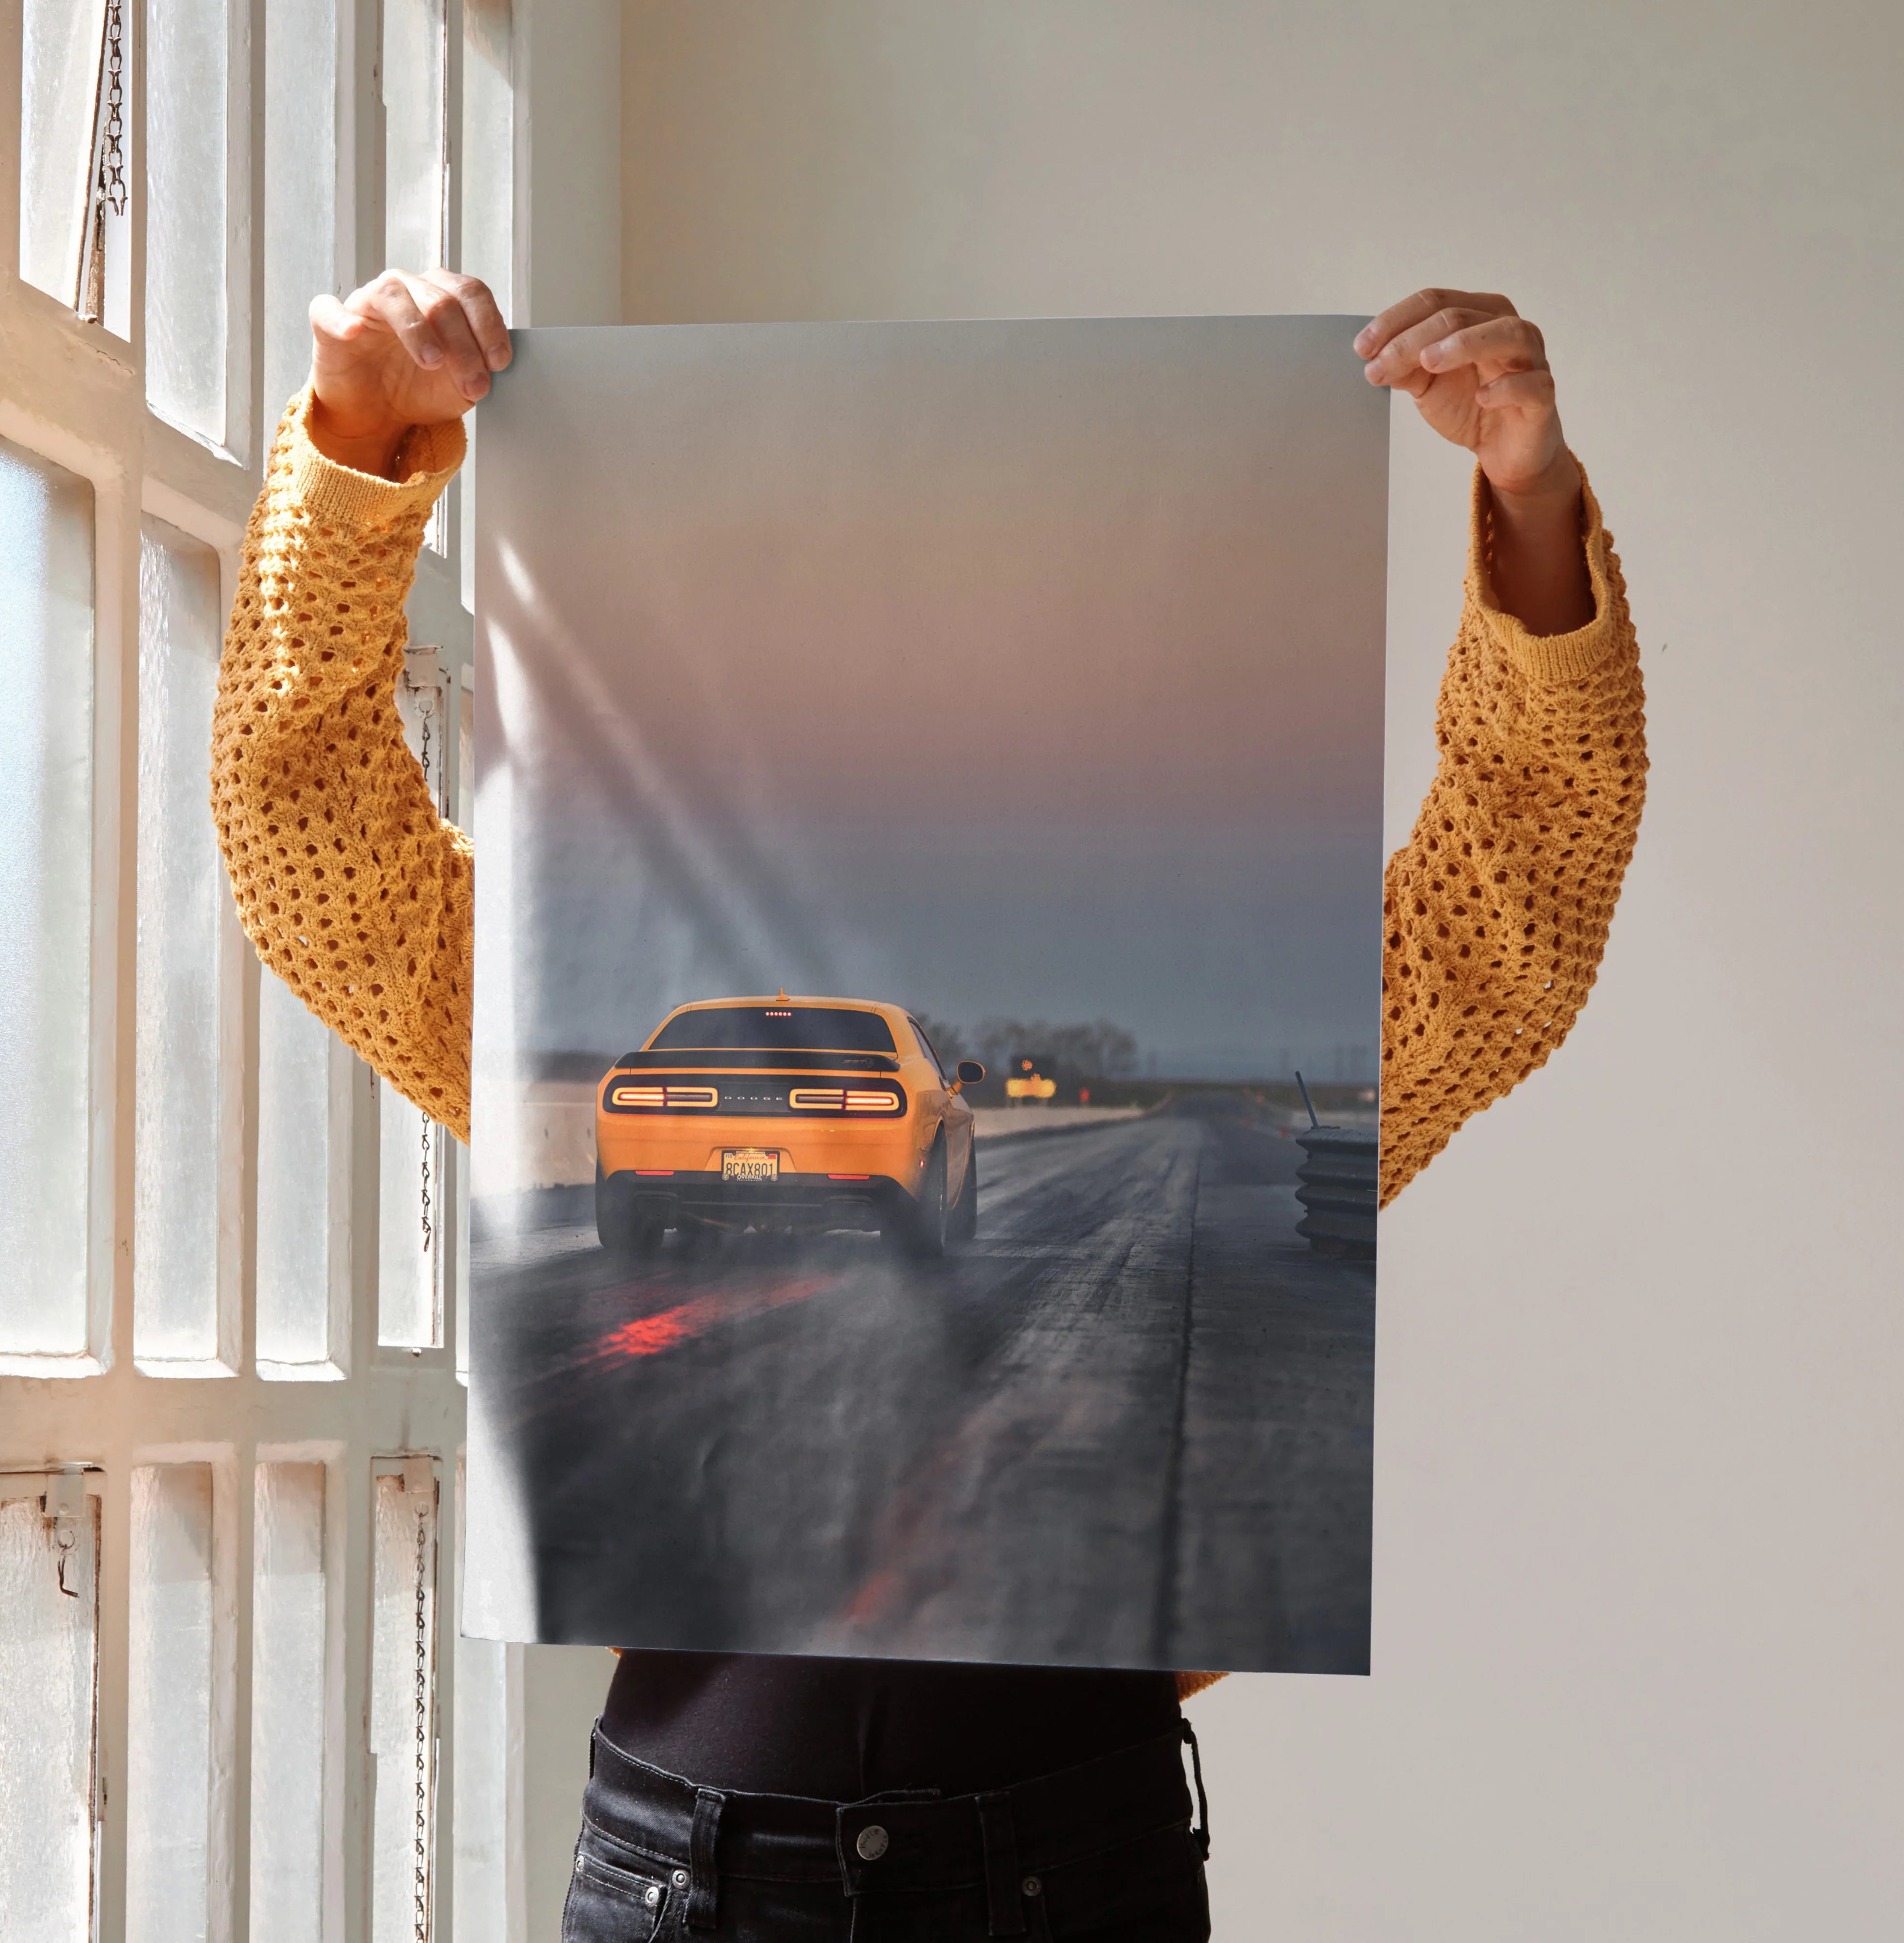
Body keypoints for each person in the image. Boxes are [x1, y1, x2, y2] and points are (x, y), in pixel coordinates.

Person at [211, 272, 1646, 1941]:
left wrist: (1530, 503)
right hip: (694, 1874)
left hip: (1065, 1864)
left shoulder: (1247, 1053)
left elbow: (1516, 903)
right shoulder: (586, 986)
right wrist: (355, 449)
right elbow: (309, 843)